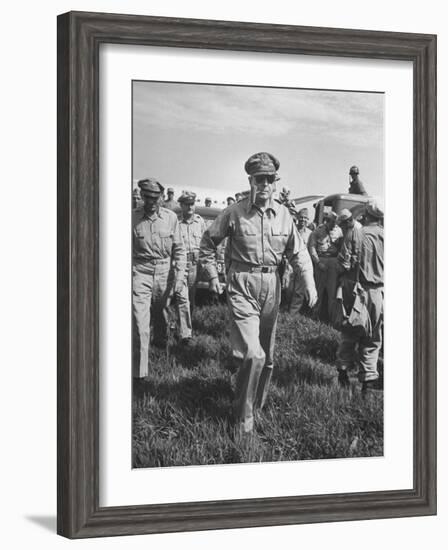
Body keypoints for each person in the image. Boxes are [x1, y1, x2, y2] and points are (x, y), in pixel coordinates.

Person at [199, 152, 317, 435]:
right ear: (250, 181)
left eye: (269, 180)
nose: (264, 184)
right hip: (242, 282)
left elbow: (299, 252)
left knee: (268, 356)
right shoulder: (235, 212)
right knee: (253, 354)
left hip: (271, 286)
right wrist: (214, 276)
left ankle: (256, 405)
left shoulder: (285, 215)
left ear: (275, 183)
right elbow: (207, 244)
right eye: (259, 179)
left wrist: (309, 283)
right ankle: (243, 422)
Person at [132, 178, 186, 379]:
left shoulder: (171, 218)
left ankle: (161, 344)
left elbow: (179, 250)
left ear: (162, 198)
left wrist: (179, 277)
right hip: (140, 271)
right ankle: (140, 374)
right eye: (147, 197)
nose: (151, 202)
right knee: (139, 321)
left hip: (165, 272)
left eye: (156, 198)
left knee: (161, 313)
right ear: (141, 196)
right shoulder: (132, 218)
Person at [336, 203, 384, 394]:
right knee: (373, 337)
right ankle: (368, 384)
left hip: (355, 291)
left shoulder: (355, 233)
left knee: (350, 332)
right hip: (379, 292)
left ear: (365, 215)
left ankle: (343, 374)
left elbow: (343, 264)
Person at [176, 191, 207, 344]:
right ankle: (185, 334)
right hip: (181, 264)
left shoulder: (200, 222)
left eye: (192, 204)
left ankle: (185, 324)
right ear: (181, 205)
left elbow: (205, 242)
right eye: (186, 204)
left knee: (191, 299)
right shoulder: (176, 222)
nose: (190, 207)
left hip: (195, 263)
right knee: (183, 299)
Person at [308, 210, 343, 323]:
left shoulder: (339, 231)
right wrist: (318, 262)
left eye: (335, 223)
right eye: (332, 222)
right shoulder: (317, 231)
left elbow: (342, 247)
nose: (334, 225)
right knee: (319, 290)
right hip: (321, 260)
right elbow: (312, 248)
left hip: (333, 261)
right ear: (327, 221)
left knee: (332, 292)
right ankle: (314, 316)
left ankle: (331, 319)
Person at [289, 208, 313, 314]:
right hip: (290, 263)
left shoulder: (310, 233)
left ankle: (293, 312)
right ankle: (285, 304)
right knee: (288, 287)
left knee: (299, 288)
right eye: (301, 217)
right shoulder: (293, 230)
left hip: (302, 264)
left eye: (305, 218)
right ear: (298, 218)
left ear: (308, 220)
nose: (303, 220)